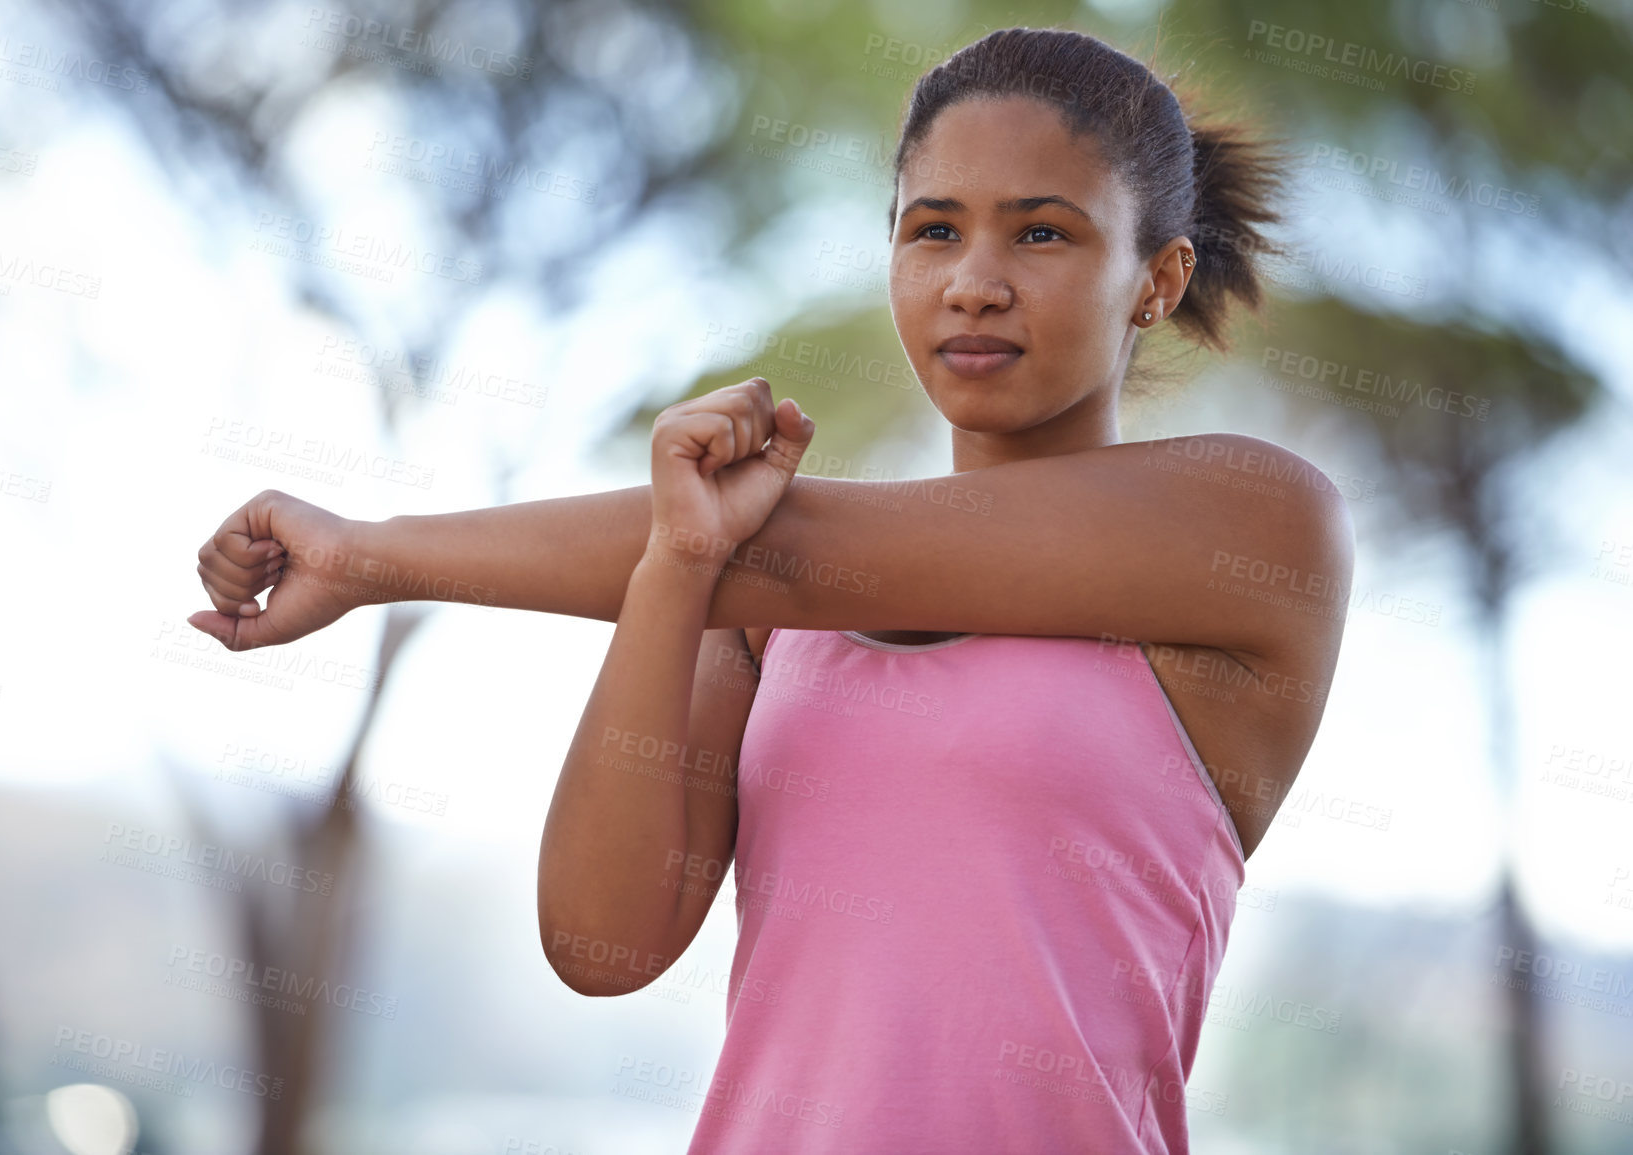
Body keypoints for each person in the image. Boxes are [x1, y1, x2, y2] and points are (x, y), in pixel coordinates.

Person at [189, 26, 1353, 1154]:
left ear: (1158, 280)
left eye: (1043, 235)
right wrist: (679, 569)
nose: (975, 284)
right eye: (933, 231)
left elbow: (824, 551)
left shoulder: (1255, 525)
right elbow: (603, 945)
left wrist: (372, 553)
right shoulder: (758, 586)